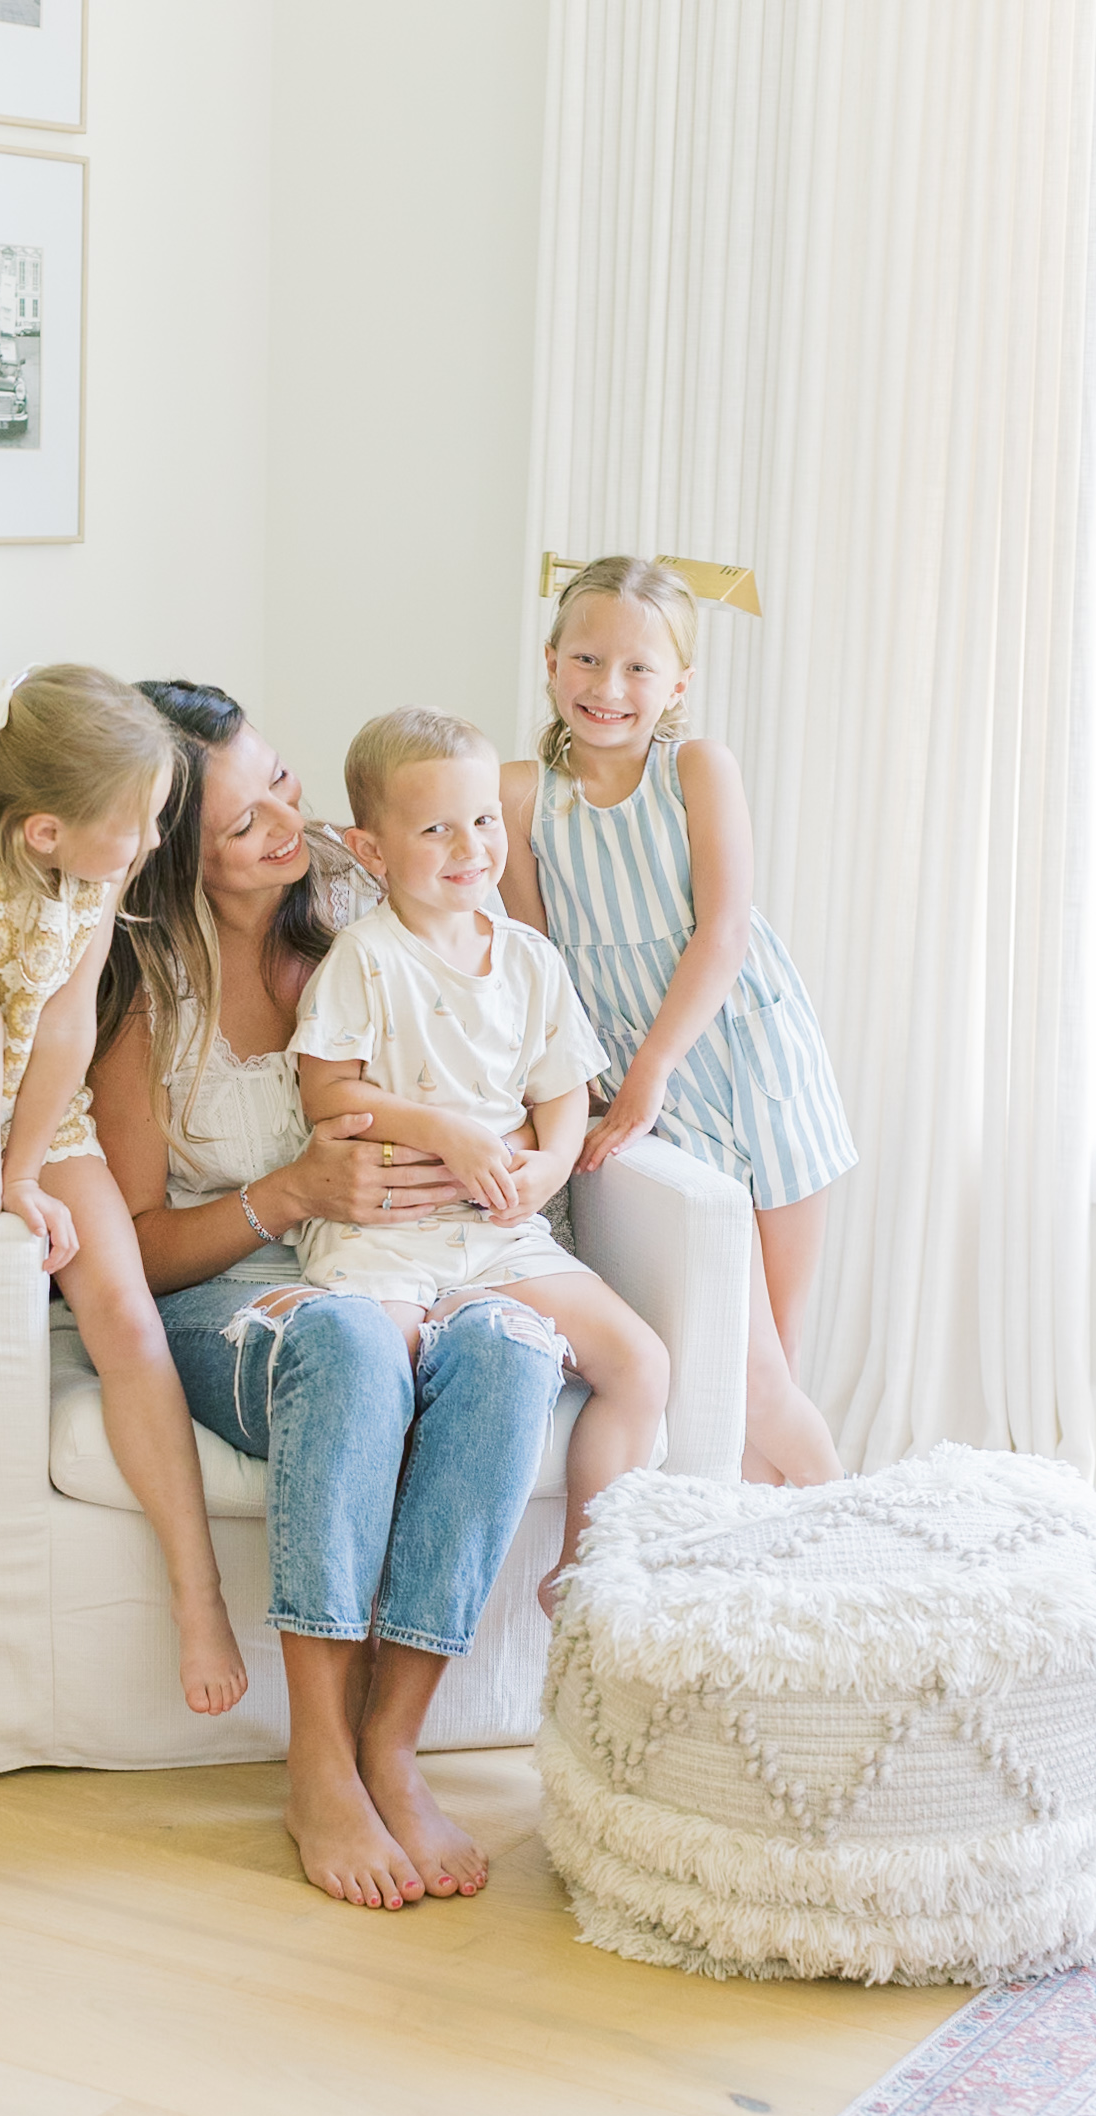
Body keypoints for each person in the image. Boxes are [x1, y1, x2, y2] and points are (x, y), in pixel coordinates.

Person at [91, 680, 567, 1910]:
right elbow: (133, 1250)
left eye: (286, 787)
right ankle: (316, 1755)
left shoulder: (367, 920)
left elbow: (508, 1043)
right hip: (239, 1292)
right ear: (170, 846)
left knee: (516, 1348)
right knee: (353, 1344)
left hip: (421, 1258)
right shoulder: (148, 992)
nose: (285, 831)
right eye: (245, 821)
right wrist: (290, 1192)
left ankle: (391, 1744)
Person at [0, 664, 246, 1729]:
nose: (156, 843)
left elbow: (63, 1020)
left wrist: (18, 1175)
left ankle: (196, 1592)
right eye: (144, 821)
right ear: (43, 832)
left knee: (123, 1312)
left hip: (38, 1113)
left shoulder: (97, 864)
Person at [290, 706, 670, 1614]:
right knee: (373, 1376)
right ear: (371, 850)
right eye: (436, 828)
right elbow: (326, 1095)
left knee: (641, 1362)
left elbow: (562, 1092)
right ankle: (372, 1588)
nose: (471, 845)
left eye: (486, 819)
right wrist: (444, 1130)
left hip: (499, 1234)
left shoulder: (531, 960)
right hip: (387, 1234)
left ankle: (582, 1565)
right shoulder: (365, 959)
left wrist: (548, 1166)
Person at [501, 555, 857, 1488]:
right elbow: (536, 965)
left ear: (678, 685)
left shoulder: (695, 767)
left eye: (637, 669)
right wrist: (585, 1089)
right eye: (585, 660)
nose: (607, 687)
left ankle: (805, 1566)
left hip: (751, 1059)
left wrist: (654, 1066)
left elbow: (726, 930)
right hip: (636, 1078)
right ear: (549, 662)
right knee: (744, 1373)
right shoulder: (522, 795)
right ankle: (847, 1536)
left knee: (774, 1365)